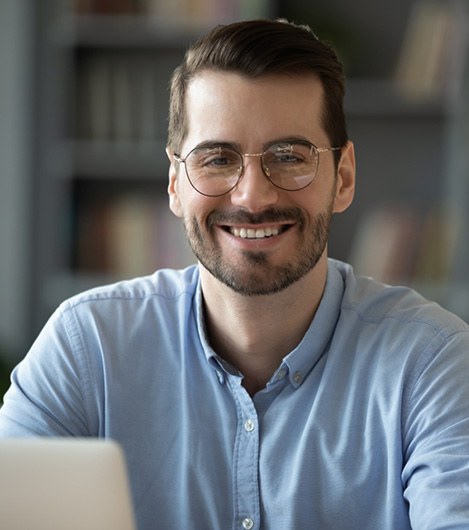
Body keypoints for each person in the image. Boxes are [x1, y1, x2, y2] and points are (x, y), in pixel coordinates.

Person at [1, 18, 468, 530]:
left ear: (344, 177)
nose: (252, 196)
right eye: (218, 158)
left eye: (289, 157)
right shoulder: (87, 347)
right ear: (176, 183)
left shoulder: (434, 364)